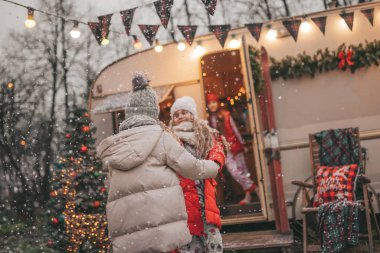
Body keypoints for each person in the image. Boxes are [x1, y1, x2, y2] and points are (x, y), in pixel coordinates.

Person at [97, 73, 220, 253]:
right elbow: (192, 168)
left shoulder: (116, 145)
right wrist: (214, 166)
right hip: (160, 229)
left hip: (128, 236)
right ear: (153, 111)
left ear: (129, 112)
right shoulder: (162, 138)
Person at [170, 96, 226, 253]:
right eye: (176, 114)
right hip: (183, 199)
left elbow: (217, 150)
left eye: (184, 112)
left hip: (204, 197)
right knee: (190, 241)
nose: (180, 116)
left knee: (212, 239)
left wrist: (214, 163)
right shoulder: (170, 140)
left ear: (193, 115)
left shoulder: (206, 135)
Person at [206, 93, 259, 205]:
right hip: (224, 150)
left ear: (217, 103)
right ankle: (255, 189)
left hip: (234, 146)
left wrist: (242, 144)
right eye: (210, 103)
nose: (212, 105)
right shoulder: (209, 119)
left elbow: (235, 130)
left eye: (214, 102)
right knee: (235, 172)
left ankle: (248, 196)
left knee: (243, 171)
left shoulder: (226, 114)